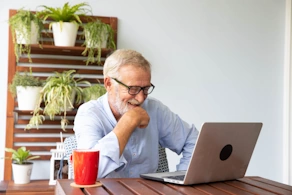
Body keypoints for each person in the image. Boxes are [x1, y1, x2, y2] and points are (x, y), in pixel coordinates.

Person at [74, 49, 199, 178]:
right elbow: (88, 173)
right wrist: (128, 122)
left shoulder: (155, 109)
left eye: (145, 89)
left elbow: (194, 141)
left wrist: (181, 179)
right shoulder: (89, 114)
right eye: (132, 89)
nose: (140, 98)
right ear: (108, 84)